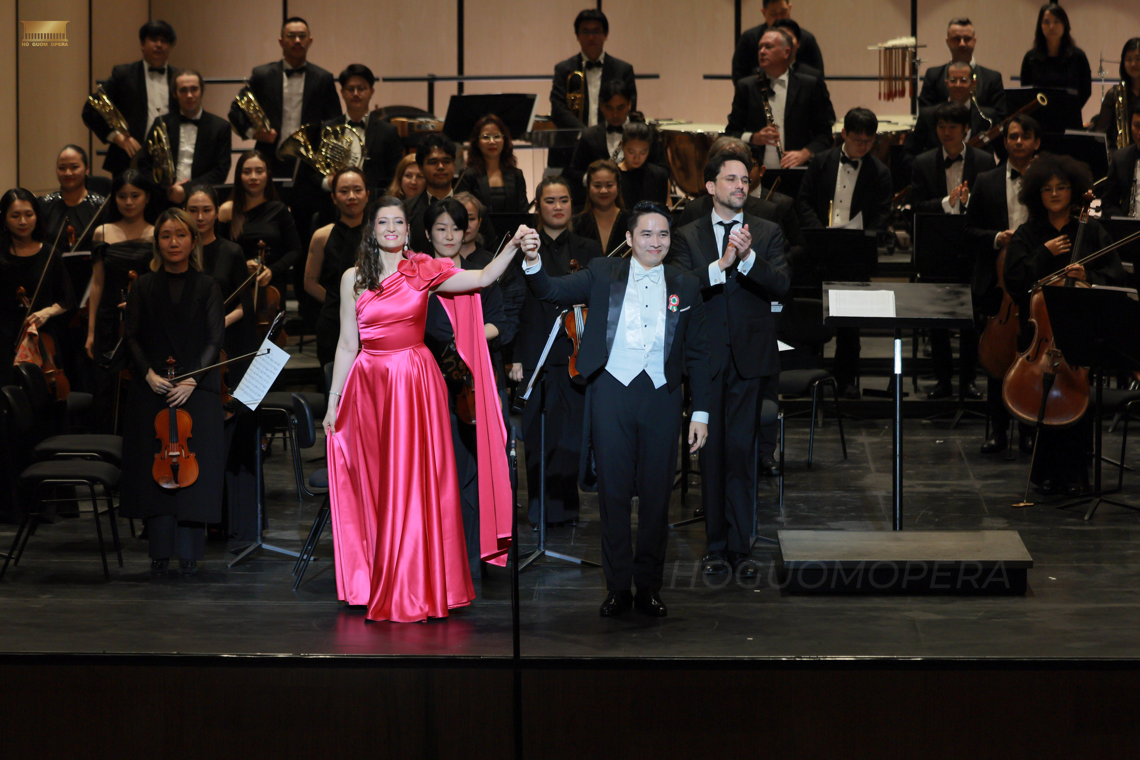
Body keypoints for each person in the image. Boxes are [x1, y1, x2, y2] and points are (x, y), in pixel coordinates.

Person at [322, 197, 524, 623]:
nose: (391, 228)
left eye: (398, 222)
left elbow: (482, 277)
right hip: (368, 385)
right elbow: (346, 343)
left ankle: (415, 582)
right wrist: (334, 400)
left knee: (413, 482)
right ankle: (377, 578)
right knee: (377, 482)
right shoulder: (352, 278)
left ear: (408, 230)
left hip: (413, 382)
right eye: (383, 221)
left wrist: (511, 247)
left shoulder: (423, 270)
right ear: (372, 229)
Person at [523, 201, 710, 617]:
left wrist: (701, 413)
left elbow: (699, 353)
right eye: (646, 233)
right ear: (629, 238)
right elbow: (551, 291)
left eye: (663, 234)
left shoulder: (686, 284)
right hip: (611, 392)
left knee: (658, 498)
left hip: (662, 396)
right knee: (613, 496)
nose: (655, 242)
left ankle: (649, 587)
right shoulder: (603, 271)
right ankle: (618, 587)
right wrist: (533, 261)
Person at [669, 150, 790, 580]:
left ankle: (741, 545)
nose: (741, 186)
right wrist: (720, 266)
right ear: (710, 186)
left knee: (742, 451)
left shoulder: (767, 230)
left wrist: (749, 258)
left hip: (750, 358)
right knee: (711, 454)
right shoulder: (687, 235)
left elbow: (782, 283)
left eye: (745, 180)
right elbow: (679, 287)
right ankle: (715, 546)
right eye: (731, 179)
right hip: (705, 358)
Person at [1004, 154, 1126, 496]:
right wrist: (1044, 253)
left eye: (1062, 187)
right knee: (1044, 396)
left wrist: (1088, 275)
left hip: (1080, 336)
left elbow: (1117, 275)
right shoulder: (1028, 234)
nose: (1055, 194)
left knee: (1076, 395)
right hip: (1040, 338)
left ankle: (1076, 473)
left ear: (1074, 191)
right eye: (1047, 189)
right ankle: (1045, 473)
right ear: (1037, 194)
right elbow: (1014, 281)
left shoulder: (1091, 230)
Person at [119, 208, 225, 575]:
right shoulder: (143, 286)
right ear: (157, 242)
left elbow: (215, 338)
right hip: (153, 387)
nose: (173, 242)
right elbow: (131, 336)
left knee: (195, 472)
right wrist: (148, 374)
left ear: (193, 241)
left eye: (180, 235)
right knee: (155, 473)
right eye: (166, 236)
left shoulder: (208, 285)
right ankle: (159, 552)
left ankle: (191, 552)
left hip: (196, 388)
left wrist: (192, 379)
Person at [422, 198, 509, 579]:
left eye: (456, 228)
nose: (449, 236)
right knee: (439, 471)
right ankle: (438, 558)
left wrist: (464, 339)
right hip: (429, 382)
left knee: (474, 468)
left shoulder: (481, 273)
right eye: (441, 229)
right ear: (427, 234)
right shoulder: (416, 276)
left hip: (473, 383)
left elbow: (499, 323)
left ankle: (471, 558)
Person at [513, 177, 603, 529]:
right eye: (550, 200)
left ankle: (566, 509)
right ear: (538, 205)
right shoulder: (523, 247)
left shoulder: (588, 247)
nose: (558, 206)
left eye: (564, 199)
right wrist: (515, 355)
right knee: (537, 436)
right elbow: (515, 304)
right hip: (535, 352)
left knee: (571, 436)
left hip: (575, 355)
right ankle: (539, 509)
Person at [796, 108, 893, 399]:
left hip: (854, 255)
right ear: (844, 135)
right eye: (857, 140)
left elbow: (883, 214)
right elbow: (804, 201)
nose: (862, 146)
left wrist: (862, 238)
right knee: (810, 320)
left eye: (868, 141)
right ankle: (807, 381)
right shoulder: (821, 162)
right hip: (818, 252)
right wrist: (819, 233)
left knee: (850, 327)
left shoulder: (880, 172)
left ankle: (845, 382)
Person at [185, 185, 259, 546]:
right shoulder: (179, 250)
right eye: (193, 210)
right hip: (188, 350)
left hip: (226, 349)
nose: (200, 217)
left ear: (217, 212)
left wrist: (215, 327)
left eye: (206, 210)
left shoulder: (231, 251)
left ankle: (230, 519)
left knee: (229, 433)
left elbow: (245, 306)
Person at [965, 114, 1042, 456]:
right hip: (998, 285)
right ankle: (998, 431)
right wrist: (998, 237)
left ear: (1036, 142)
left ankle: (1028, 430)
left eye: (1025, 136)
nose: (1018, 141)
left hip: (1037, 281)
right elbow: (969, 231)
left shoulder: (1048, 180)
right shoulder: (986, 180)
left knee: (1029, 357)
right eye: (1012, 136)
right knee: (999, 358)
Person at [911, 101, 993, 401]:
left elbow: (991, 206)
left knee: (972, 320)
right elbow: (916, 208)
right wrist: (947, 202)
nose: (946, 132)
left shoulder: (984, 161)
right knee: (938, 321)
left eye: (953, 127)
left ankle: (968, 380)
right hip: (937, 252)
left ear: (966, 129)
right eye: (941, 126)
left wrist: (969, 203)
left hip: (973, 252)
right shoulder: (922, 162)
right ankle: (943, 380)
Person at [226, 17, 342, 181]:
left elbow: (335, 122)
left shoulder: (323, 78)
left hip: (309, 165)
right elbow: (235, 111)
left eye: (302, 36)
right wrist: (255, 134)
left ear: (310, 41)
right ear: (281, 41)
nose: (297, 41)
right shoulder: (262, 75)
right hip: (269, 158)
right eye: (291, 36)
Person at [87, 171, 155, 432]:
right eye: (122, 196)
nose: (128, 202)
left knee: (140, 384)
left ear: (147, 198)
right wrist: (91, 331)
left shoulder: (157, 232)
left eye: (135, 196)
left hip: (144, 319)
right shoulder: (102, 232)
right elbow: (97, 283)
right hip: (109, 319)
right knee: (105, 387)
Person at [725, 28, 834, 170]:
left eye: (768, 47)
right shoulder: (746, 86)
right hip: (757, 172)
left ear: (786, 52)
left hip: (799, 172)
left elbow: (824, 135)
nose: (762, 51)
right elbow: (731, 133)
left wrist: (806, 153)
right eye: (760, 47)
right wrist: (753, 137)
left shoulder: (809, 85)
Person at [81, 20, 178, 177]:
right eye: (154, 40)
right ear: (142, 44)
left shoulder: (179, 78)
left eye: (164, 41)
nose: (159, 45)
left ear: (170, 47)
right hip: (128, 160)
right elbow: (91, 110)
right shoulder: (124, 75)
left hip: (170, 163)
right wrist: (117, 138)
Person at [0, 189, 74, 388]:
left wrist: (47, 312)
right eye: (15, 216)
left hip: (43, 337)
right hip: (5, 337)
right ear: (5, 219)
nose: (23, 221)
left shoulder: (50, 254)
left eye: (28, 214)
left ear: (37, 216)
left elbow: (67, 299)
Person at [565, 80, 668, 208]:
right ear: (601, 106)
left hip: (640, 200)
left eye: (620, 107)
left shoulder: (645, 133)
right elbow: (573, 173)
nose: (615, 114)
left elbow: (661, 170)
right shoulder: (589, 136)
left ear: (630, 104)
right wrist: (597, 179)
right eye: (609, 108)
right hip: (599, 206)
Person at [454, 191, 524, 375]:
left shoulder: (496, 262)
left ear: (479, 222)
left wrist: (489, 336)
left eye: (470, 218)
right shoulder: (436, 264)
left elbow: (512, 313)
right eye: (459, 218)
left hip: (490, 353)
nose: (465, 225)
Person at [140, 70, 232, 207]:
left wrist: (187, 189)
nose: (189, 95)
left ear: (202, 91)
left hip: (202, 200)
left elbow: (220, 170)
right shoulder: (161, 123)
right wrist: (166, 188)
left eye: (194, 89)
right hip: (163, 200)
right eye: (183, 90)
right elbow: (145, 164)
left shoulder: (220, 127)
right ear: (175, 94)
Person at [307, 168, 370, 366]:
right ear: (334, 197)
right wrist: (340, 303)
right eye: (344, 191)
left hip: (373, 321)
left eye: (357, 190)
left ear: (367, 195)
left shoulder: (380, 234)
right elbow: (310, 282)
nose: (351, 196)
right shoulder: (321, 236)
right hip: (333, 320)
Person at [218, 151, 302, 298]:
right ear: (239, 176)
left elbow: (295, 250)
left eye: (259, 171)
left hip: (272, 287)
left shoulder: (279, 210)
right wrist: (241, 266)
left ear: (268, 175)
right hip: (236, 286)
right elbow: (217, 252)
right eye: (247, 172)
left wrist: (272, 270)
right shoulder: (227, 211)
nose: (253, 177)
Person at [312, 64, 403, 197]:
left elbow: (396, 174)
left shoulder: (388, 132)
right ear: (342, 92)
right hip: (333, 202)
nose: (355, 93)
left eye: (361, 89)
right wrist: (328, 183)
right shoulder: (327, 129)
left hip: (374, 201)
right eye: (350, 89)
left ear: (371, 92)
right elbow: (313, 173)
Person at [903, 61, 1001, 170]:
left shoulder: (988, 117)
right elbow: (909, 155)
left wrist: (991, 176)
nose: (958, 85)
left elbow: (1005, 154)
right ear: (946, 83)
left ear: (973, 84)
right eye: (953, 80)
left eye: (963, 80)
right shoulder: (928, 116)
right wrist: (928, 174)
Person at [550, 9, 637, 131]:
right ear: (577, 36)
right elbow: (558, 109)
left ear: (606, 34)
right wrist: (586, 134)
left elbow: (629, 108)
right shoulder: (563, 70)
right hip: (575, 140)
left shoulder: (623, 70)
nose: (591, 37)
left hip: (613, 139)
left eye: (596, 31)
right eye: (585, 32)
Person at [919, 18, 1008, 117]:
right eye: (957, 39)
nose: (962, 44)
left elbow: (1000, 117)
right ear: (947, 41)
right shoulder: (933, 75)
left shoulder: (993, 78)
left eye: (967, 39)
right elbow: (924, 114)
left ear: (974, 40)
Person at [732, 0, 824, 84]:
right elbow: (739, 75)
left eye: (783, 12)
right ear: (764, 12)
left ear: (789, 8)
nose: (780, 18)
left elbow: (817, 74)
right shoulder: (750, 38)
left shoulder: (806, 38)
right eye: (773, 13)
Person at [1019, 4, 1092, 110]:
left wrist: (1072, 111)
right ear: (1040, 26)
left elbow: (1086, 91)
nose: (1051, 27)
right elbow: (1026, 92)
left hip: (1069, 115)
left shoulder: (1078, 56)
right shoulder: (1030, 58)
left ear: (1065, 25)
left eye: (1057, 21)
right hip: (1038, 116)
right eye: (1046, 22)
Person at [455, 114, 529, 213]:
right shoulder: (468, 175)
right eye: (486, 137)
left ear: (504, 140)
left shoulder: (517, 175)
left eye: (497, 136)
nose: (492, 141)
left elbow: (523, 212)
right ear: (477, 142)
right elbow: (460, 212)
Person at [404, 134, 458, 256]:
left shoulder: (472, 207)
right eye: (433, 162)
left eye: (446, 161)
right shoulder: (407, 211)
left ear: (454, 165)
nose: (440, 167)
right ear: (420, 168)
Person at [1090, 39, 1140, 153]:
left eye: (1138, 59)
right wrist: (1114, 157)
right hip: (1121, 157)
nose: (1133, 64)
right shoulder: (1113, 94)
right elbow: (1100, 134)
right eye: (1128, 60)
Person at [573, 159, 630, 256]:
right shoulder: (577, 224)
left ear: (618, 187)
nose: (603, 191)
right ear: (588, 188)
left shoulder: (632, 222)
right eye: (597, 186)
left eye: (609, 185)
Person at [1100, 104, 1140, 218]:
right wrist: (1124, 221)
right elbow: (1108, 203)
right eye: (1137, 126)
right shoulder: (1121, 158)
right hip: (1130, 227)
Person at [618, 121, 669, 208]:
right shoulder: (614, 176)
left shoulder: (660, 175)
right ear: (622, 145)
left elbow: (665, 210)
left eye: (643, 152)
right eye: (631, 152)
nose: (637, 158)